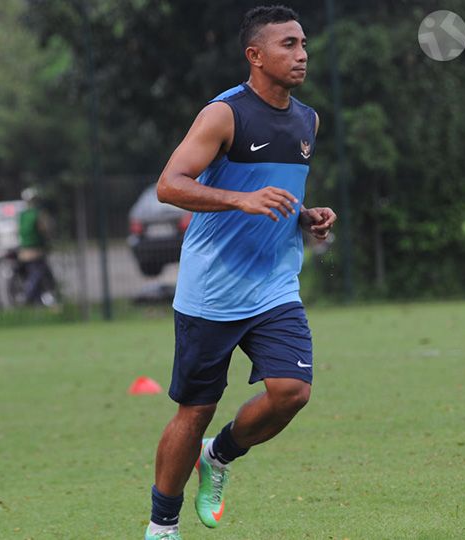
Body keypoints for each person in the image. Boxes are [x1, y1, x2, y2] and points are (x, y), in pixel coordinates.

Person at [145, 6, 336, 539]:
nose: (301, 55)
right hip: (211, 291)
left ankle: (220, 455)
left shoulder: (307, 120)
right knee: (194, 411)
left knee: (292, 391)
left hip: (274, 286)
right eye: (288, 45)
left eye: (303, 44)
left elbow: (276, 195)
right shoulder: (224, 114)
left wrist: (305, 216)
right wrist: (238, 199)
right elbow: (169, 184)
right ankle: (162, 527)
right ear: (255, 55)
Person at [17, 188, 56, 306]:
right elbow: (45, 230)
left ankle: (37, 302)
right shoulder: (38, 214)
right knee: (38, 276)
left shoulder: (22, 215)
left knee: (34, 275)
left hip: (23, 251)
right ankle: (27, 297)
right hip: (36, 251)